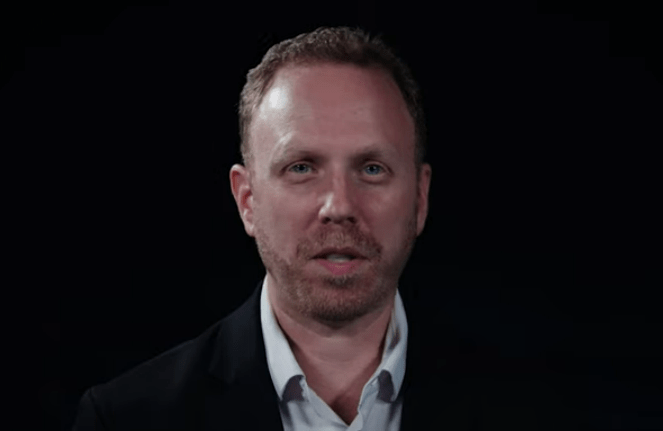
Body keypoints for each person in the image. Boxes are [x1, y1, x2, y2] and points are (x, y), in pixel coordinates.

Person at [71, 26, 580, 430]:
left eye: (372, 169)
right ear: (247, 201)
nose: (339, 205)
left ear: (420, 198)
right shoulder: (127, 419)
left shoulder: (531, 412)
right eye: (301, 168)